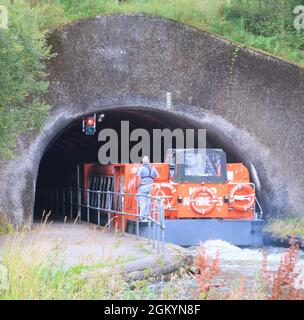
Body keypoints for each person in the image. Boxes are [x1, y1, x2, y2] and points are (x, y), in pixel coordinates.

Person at [136, 156, 159, 222]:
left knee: (142, 202)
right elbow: (158, 176)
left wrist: (138, 186)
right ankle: (148, 216)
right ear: (148, 161)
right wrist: (152, 179)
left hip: (143, 187)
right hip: (150, 187)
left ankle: (143, 217)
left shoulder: (141, 168)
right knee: (148, 201)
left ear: (143, 162)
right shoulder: (153, 168)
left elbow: (139, 178)